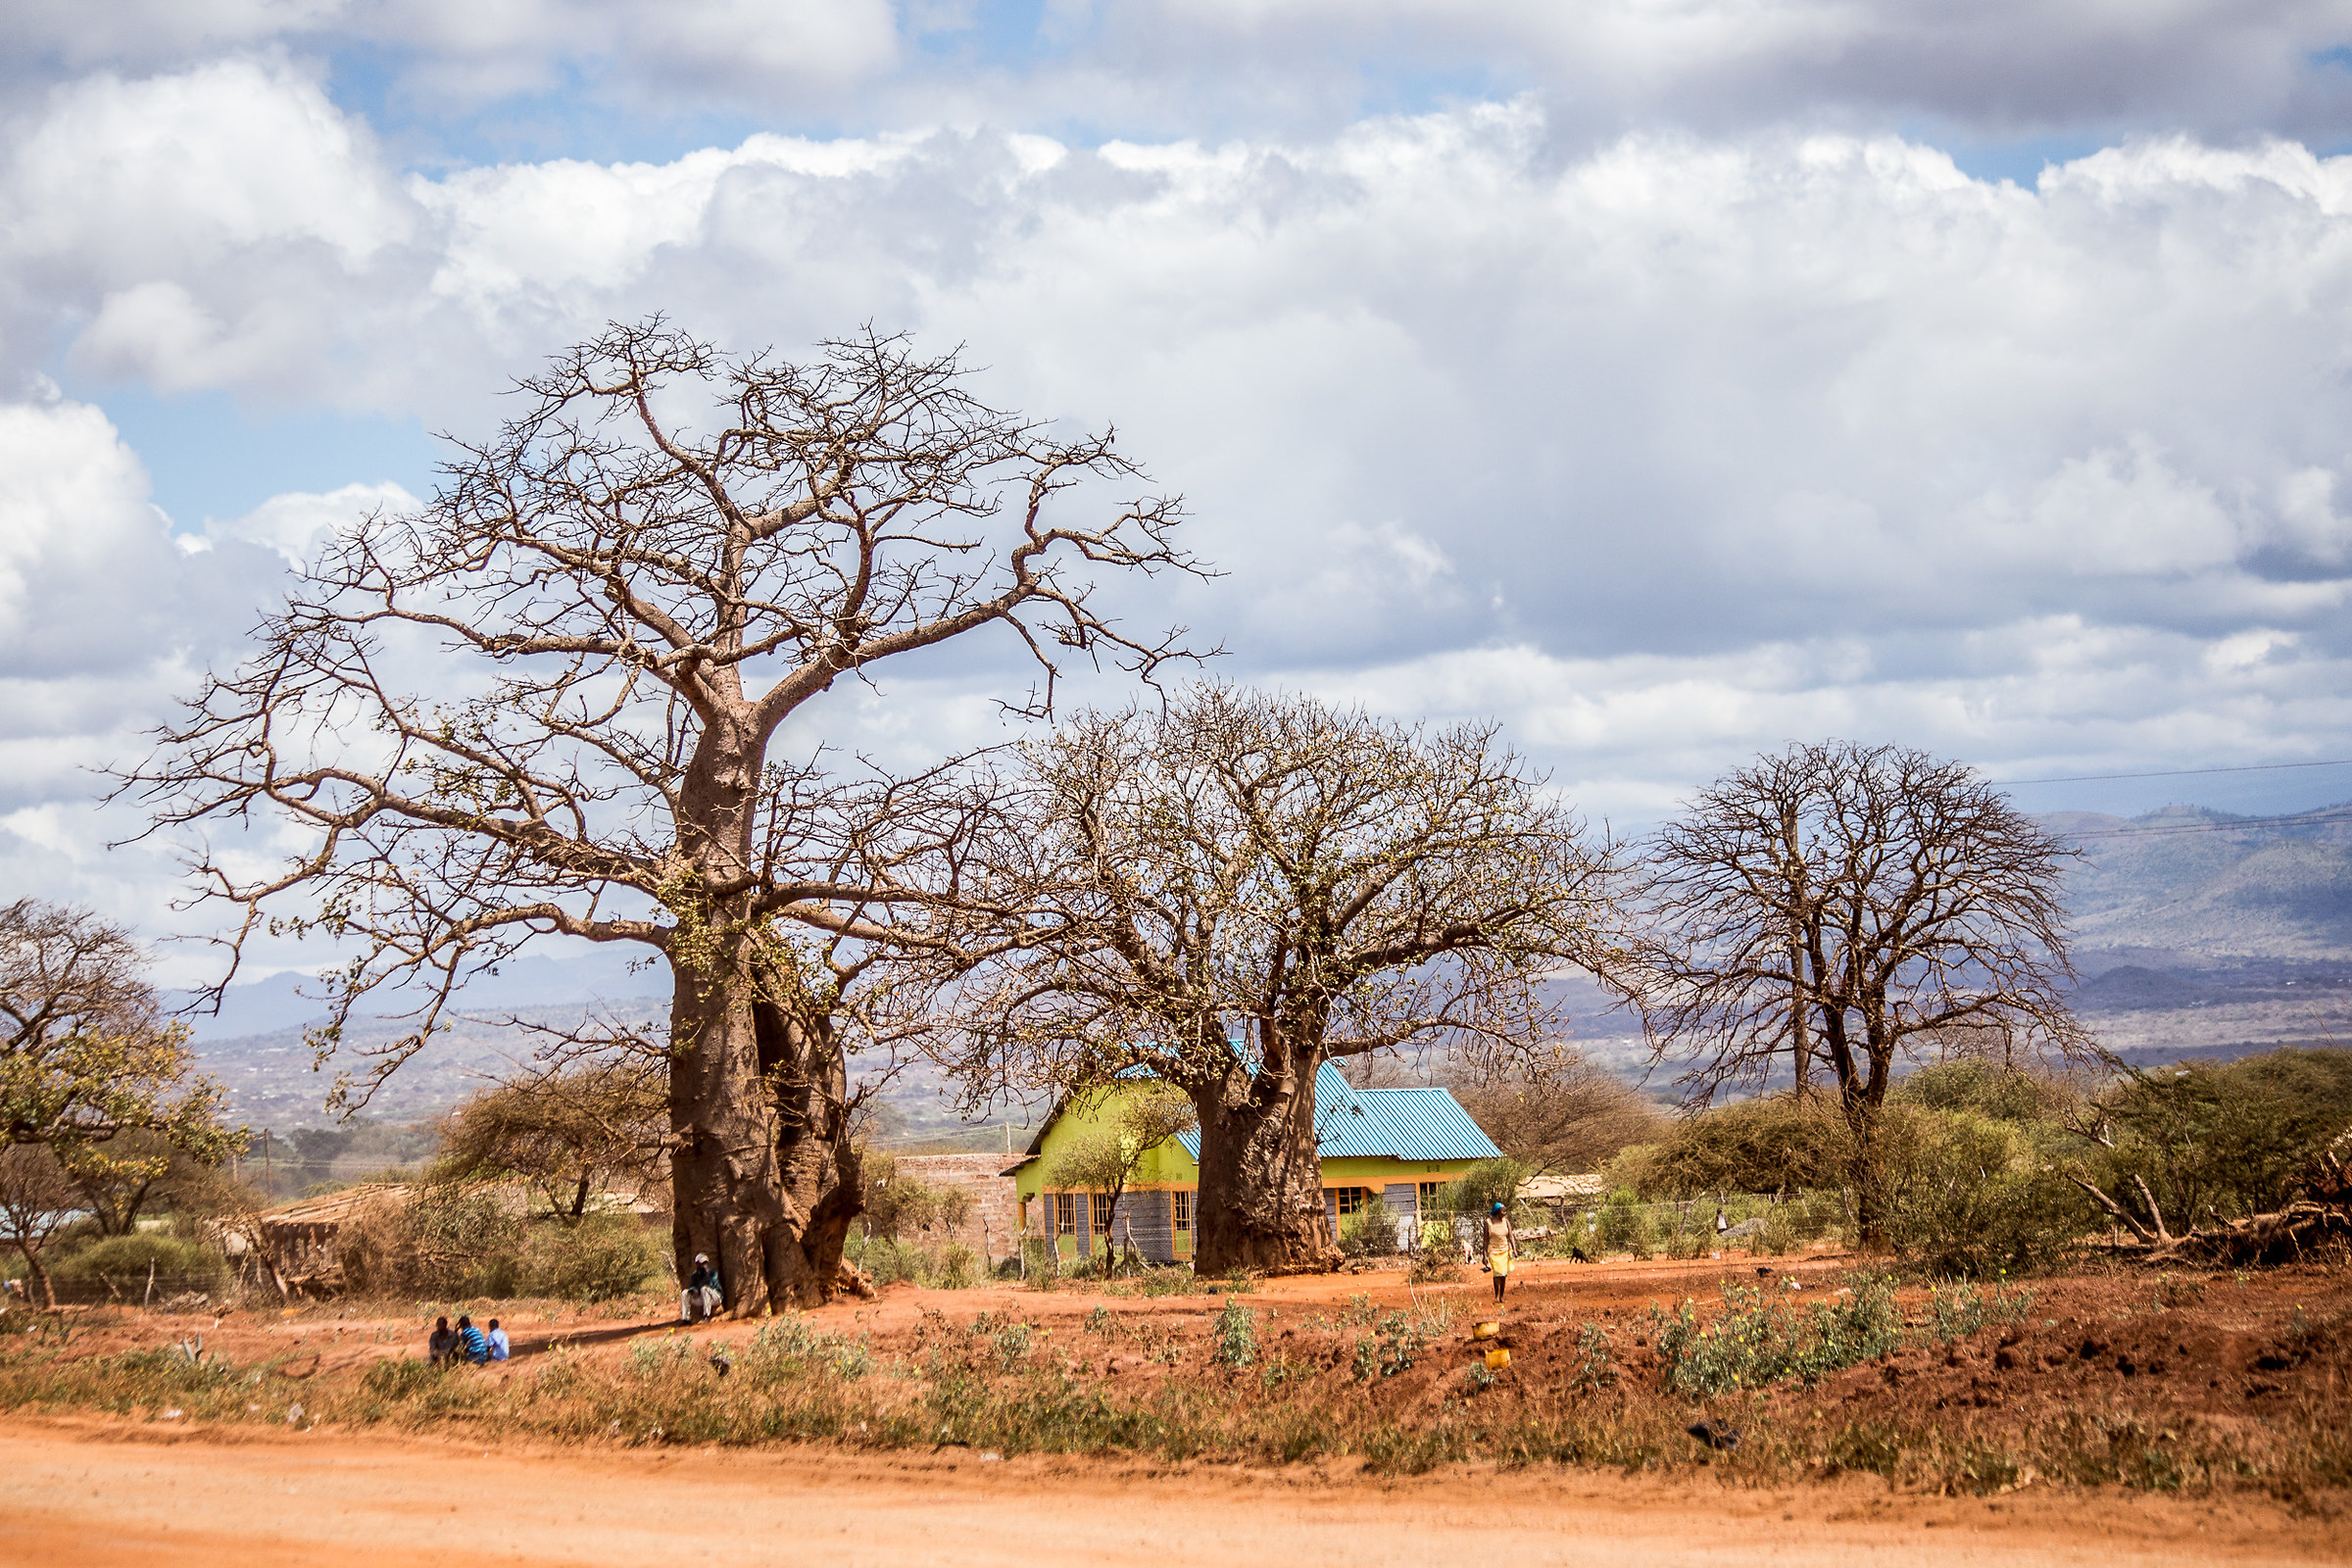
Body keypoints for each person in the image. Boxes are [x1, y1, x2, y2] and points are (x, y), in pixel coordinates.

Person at [1485, 1200, 1515, 1305]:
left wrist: (1514, 1249)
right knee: (1497, 1273)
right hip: (1493, 1251)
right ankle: (1496, 1296)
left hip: (1504, 1250)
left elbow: (1511, 1236)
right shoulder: (1488, 1223)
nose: (1504, 1212)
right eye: (1503, 1210)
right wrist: (1484, 1255)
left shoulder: (1506, 1221)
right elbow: (1485, 1240)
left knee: (1503, 1274)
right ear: (1497, 1212)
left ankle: (1501, 1296)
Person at [681, 1253, 721, 1323]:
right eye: (701, 1263)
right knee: (685, 1293)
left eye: (704, 1263)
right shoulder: (695, 1275)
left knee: (704, 1289)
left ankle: (706, 1316)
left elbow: (712, 1283)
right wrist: (693, 1290)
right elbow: (692, 1286)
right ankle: (686, 1319)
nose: (703, 1265)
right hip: (703, 1298)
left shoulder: (713, 1272)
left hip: (715, 1297)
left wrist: (706, 1275)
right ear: (697, 1264)